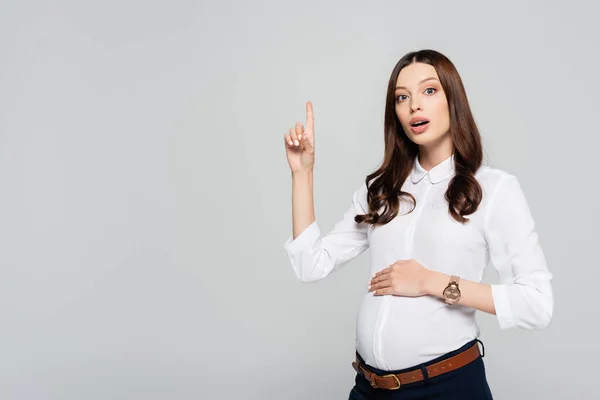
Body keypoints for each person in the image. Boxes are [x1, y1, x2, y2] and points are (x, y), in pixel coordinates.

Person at [282, 49, 553, 399]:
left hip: (448, 388)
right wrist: (302, 174)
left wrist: (431, 282)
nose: (414, 106)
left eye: (429, 91)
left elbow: (537, 304)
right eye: (402, 97)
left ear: (452, 99)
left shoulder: (495, 189)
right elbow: (310, 264)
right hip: (369, 390)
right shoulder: (381, 190)